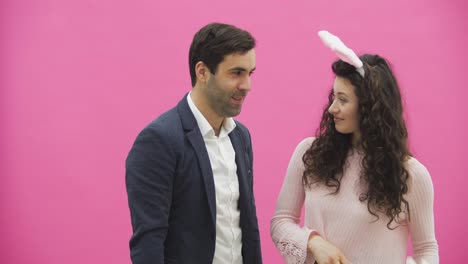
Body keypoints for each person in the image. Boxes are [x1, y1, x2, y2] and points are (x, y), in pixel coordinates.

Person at [270, 31, 439, 264]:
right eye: (333, 97)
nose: (332, 108)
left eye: (343, 99)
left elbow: (427, 249)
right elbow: (281, 221)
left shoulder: (410, 175)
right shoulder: (309, 154)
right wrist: (313, 242)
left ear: (370, 108)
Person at [126, 22, 262, 264]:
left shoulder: (241, 137)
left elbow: (247, 227)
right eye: (236, 73)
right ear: (202, 72)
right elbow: (148, 243)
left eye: (250, 73)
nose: (247, 86)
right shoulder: (158, 140)